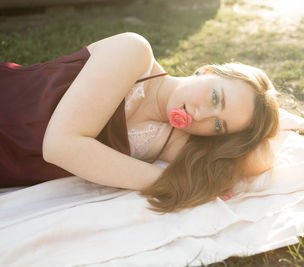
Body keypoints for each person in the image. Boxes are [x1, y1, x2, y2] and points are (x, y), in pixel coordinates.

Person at [0, 32, 279, 213]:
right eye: (215, 97)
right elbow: (60, 147)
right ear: (205, 71)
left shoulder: (174, 141)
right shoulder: (133, 52)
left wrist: (261, 123)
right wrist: (171, 182)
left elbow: (259, 158)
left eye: (219, 125)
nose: (201, 115)